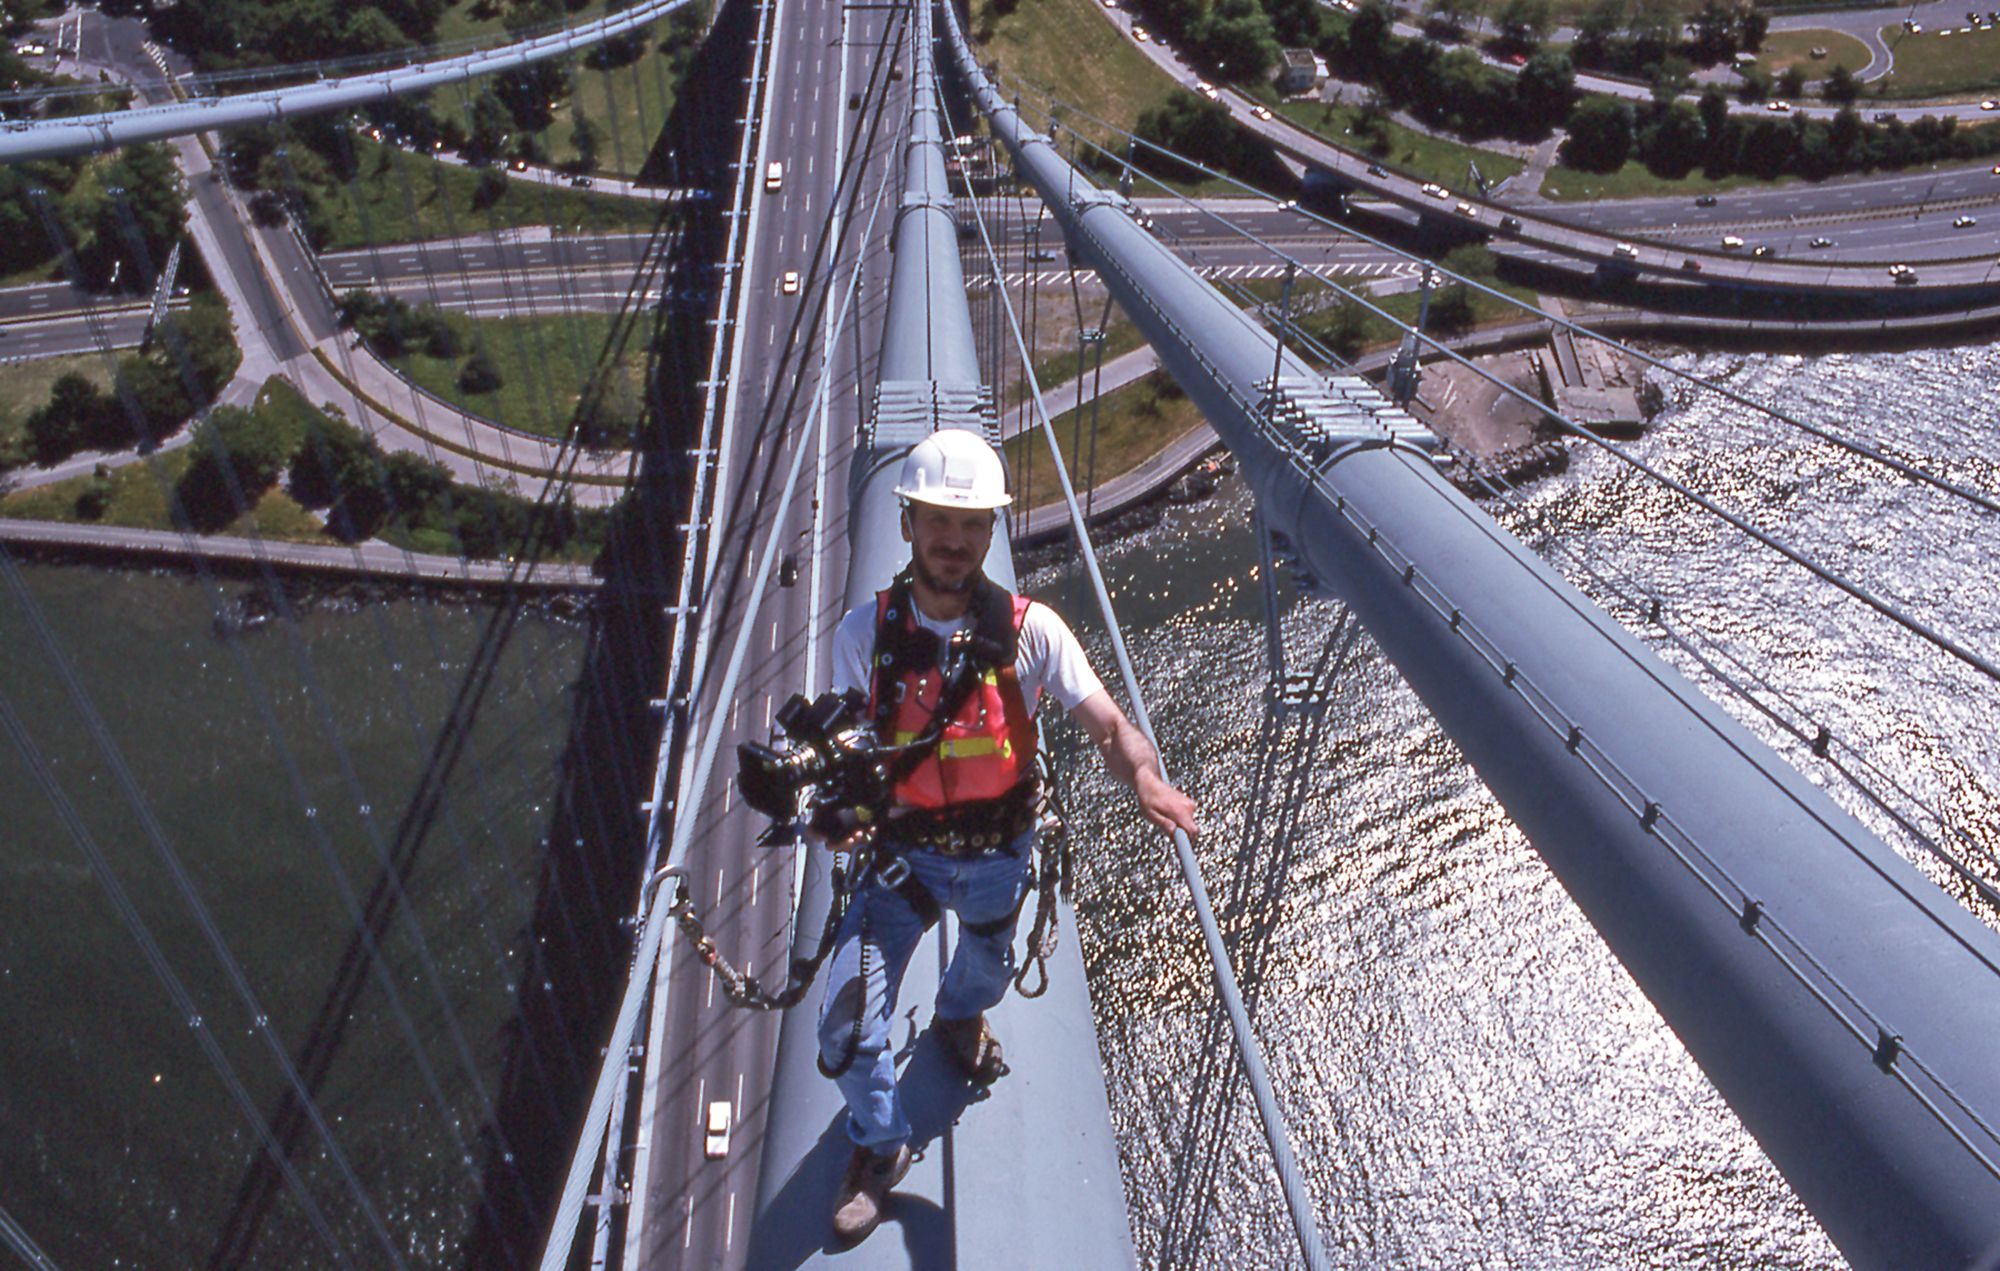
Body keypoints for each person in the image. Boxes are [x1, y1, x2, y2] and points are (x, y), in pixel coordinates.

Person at [818, 428, 1199, 1245]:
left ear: (990, 532)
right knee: (844, 1029)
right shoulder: (864, 637)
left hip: (995, 857)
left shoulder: (1034, 632)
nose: (954, 542)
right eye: (938, 522)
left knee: (983, 973)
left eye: (971, 525)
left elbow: (1105, 724)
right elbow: (851, 748)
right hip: (902, 862)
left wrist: (1144, 775)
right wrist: (844, 814)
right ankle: (880, 1146)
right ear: (910, 521)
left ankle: (958, 1019)